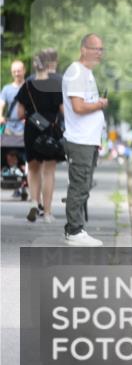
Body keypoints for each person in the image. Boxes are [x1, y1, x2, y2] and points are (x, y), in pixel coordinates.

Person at [61, 34, 108, 247]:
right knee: (79, 185)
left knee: (84, 184)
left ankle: (76, 228)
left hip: (88, 140)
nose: (99, 53)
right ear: (83, 49)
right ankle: (74, 230)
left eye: (101, 49)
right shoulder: (77, 72)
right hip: (80, 140)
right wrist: (99, 105)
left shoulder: (86, 73)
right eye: (95, 48)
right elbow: (78, 107)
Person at [16, 49, 65, 223]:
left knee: (33, 168)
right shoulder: (55, 86)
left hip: (31, 130)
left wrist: (31, 114)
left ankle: (34, 203)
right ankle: (48, 212)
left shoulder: (27, 86)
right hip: (49, 131)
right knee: (49, 172)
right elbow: (63, 111)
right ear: (49, 65)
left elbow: (20, 113)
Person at [1, 59, 28, 199]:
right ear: (12, 73)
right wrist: (0, 116)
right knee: (8, 154)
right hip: (10, 128)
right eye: (14, 71)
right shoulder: (6, 89)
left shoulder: (29, 87)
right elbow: (2, 104)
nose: (17, 73)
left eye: (19, 70)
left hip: (25, 128)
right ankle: (14, 181)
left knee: (25, 158)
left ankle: (24, 185)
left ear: (24, 71)